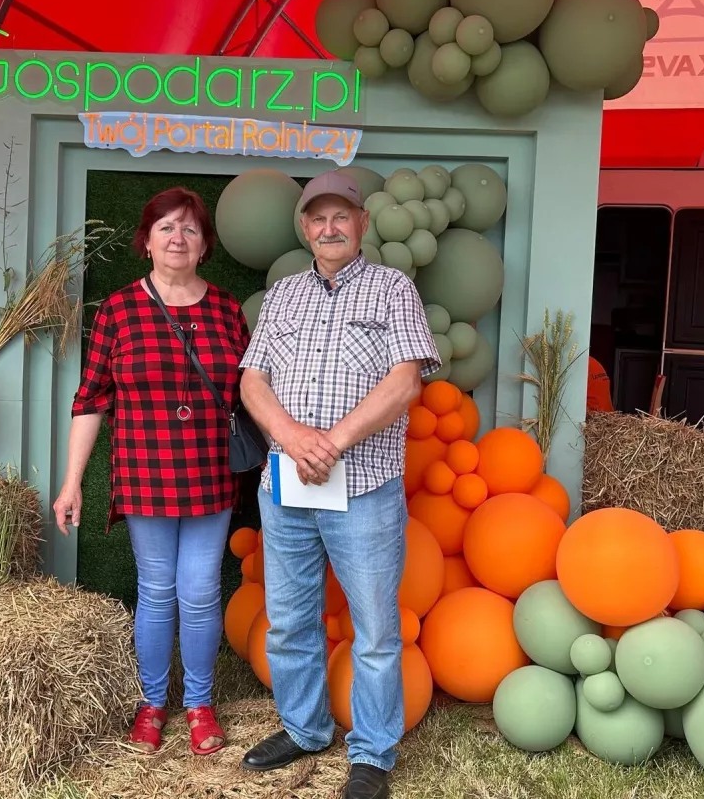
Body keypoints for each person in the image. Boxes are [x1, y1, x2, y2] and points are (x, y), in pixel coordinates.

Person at [236, 171, 441, 799]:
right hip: (287, 486)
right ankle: (305, 728)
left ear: (362, 224)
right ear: (305, 228)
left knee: (375, 627)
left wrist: (332, 441)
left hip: (365, 487)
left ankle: (373, 751)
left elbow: (406, 382)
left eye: (341, 217)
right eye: (318, 218)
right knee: (289, 619)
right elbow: (252, 381)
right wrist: (293, 437)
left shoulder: (393, 289)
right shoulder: (284, 295)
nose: (330, 228)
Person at [52, 186, 250, 757]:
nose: (177, 238)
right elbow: (91, 398)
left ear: (205, 244)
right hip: (146, 472)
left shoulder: (227, 309)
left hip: (211, 473)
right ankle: (152, 703)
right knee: (158, 591)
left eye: (189, 228)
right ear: (146, 241)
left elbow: (252, 391)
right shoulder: (119, 310)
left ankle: (200, 705)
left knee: (201, 591)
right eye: (166, 227)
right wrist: (72, 483)